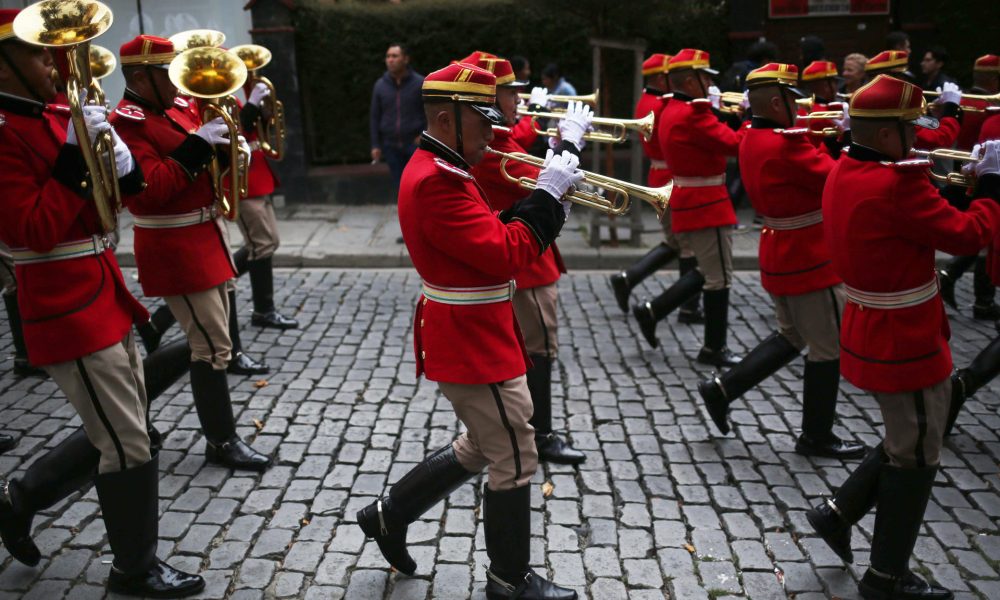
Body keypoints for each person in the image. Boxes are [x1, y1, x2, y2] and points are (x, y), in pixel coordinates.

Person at [356, 62, 580, 600]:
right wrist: (547, 198)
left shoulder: (446, 166)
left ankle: (389, 514)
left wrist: (546, 199)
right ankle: (509, 578)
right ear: (444, 117)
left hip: (475, 329)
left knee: (483, 444)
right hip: (471, 336)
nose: (493, 131)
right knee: (517, 454)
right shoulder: (438, 179)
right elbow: (506, 255)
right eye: (482, 121)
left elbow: (490, 235)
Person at [0, 11, 203, 596]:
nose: (53, 64)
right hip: (62, 299)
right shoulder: (6, 132)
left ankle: (20, 499)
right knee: (128, 441)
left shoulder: (56, 114)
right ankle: (133, 569)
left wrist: (122, 164)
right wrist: (72, 156)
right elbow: (35, 230)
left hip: (101, 287)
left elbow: (122, 197)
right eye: (39, 56)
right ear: (4, 65)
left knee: (119, 429)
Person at [807, 74, 1000, 600]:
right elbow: (969, 235)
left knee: (907, 437)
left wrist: (949, 187)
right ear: (888, 135)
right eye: (911, 129)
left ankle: (838, 512)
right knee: (917, 451)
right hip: (905, 338)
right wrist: (991, 188)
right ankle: (886, 576)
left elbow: (906, 216)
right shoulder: (898, 182)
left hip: (873, 325)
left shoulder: (847, 167)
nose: (918, 138)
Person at [110, 35, 272, 472]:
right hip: (174, 244)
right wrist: (199, 145)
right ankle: (220, 440)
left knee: (207, 343)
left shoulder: (176, 106)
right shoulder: (127, 123)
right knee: (212, 346)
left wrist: (227, 148)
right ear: (142, 77)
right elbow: (148, 194)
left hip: (205, 236)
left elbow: (201, 164)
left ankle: (134, 402)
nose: (179, 79)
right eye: (168, 71)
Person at [698, 63, 865, 460]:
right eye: (793, 99)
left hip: (779, 249)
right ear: (777, 102)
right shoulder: (786, 144)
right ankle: (816, 434)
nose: (800, 104)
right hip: (809, 255)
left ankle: (724, 388)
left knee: (792, 335)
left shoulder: (755, 136)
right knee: (827, 347)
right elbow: (835, 177)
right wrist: (846, 139)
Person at [467, 53, 588, 465]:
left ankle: (530, 428)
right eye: (510, 92)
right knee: (538, 350)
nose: (518, 99)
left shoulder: (497, 137)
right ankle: (541, 434)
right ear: (490, 96)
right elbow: (544, 187)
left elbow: (532, 167)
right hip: (528, 262)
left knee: (533, 349)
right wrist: (569, 145)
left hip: (527, 254)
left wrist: (552, 147)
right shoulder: (493, 144)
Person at [632, 48, 745, 366]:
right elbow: (735, 145)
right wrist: (750, 120)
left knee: (707, 270)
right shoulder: (694, 113)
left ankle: (654, 310)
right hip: (707, 202)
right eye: (706, 77)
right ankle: (714, 348)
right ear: (692, 82)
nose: (710, 82)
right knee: (719, 277)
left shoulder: (673, 108)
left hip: (690, 198)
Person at [610, 53, 703, 323]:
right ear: (661, 78)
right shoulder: (662, 106)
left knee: (675, 242)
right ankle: (688, 307)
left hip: (658, 174)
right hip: (671, 179)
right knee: (687, 247)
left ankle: (628, 279)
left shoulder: (646, 101)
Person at [229, 78, 299, 330]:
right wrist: (250, 104)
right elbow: (236, 129)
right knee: (261, 245)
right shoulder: (212, 100)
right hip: (240, 179)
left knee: (269, 242)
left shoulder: (232, 98)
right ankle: (263, 310)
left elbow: (252, 128)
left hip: (257, 174)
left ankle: (217, 280)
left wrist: (264, 111)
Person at [938, 55, 1000, 320]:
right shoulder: (989, 107)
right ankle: (983, 300)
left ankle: (951, 276)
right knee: (989, 233)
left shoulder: (967, 101)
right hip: (983, 174)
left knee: (985, 233)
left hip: (967, 170)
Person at [864, 50, 963, 150]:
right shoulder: (896, 108)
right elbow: (941, 139)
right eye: (902, 78)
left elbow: (921, 125)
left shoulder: (874, 102)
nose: (906, 83)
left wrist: (936, 119)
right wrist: (951, 108)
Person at [370, 42, 426, 192]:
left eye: (395, 56)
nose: (390, 60)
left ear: (406, 59)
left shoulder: (420, 83)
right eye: (388, 56)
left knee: (417, 185)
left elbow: (430, 112)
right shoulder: (380, 85)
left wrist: (424, 134)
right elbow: (375, 116)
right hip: (391, 146)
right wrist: (375, 144)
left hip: (414, 144)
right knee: (399, 186)